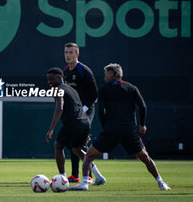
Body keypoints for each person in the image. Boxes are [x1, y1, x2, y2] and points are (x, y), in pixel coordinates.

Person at [72, 63, 170, 191]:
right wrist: (142, 124)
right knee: (145, 157)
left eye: (106, 72)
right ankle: (161, 183)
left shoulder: (103, 89)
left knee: (89, 155)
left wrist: (106, 127)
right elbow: (142, 106)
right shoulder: (131, 88)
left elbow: (101, 111)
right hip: (129, 130)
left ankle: (84, 183)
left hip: (111, 130)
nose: (104, 76)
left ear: (112, 73)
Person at [45, 67, 106, 186]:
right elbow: (78, 108)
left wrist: (51, 129)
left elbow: (60, 107)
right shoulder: (71, 89)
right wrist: (84, 131)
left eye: (52, 79)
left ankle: (62, 179)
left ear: (59, 77)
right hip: (84, 122)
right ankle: (99, 176)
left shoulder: (58, 89)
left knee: (58, 145)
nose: (49, 82)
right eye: (48, 80)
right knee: (77, 149)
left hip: (73, 123)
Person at [63, 42, 98, 183]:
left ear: (77, 54)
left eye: (71, 52)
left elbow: (94, 93)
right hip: (74, 112)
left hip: (87, 109)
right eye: (66, 52)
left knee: (81, 141)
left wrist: (84, 109)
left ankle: (88, 175)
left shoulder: (83, 70)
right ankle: (75, 175)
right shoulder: (65, 72)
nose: (68, 55)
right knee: (73, 141)